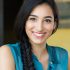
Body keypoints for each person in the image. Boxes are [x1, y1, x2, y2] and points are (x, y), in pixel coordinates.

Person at [0, 0, 70, 70]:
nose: (39, 28)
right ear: (24, 21)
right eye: (33, 19)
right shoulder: (7, 53)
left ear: (54, 24)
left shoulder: (63, 56)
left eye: (47, 20)